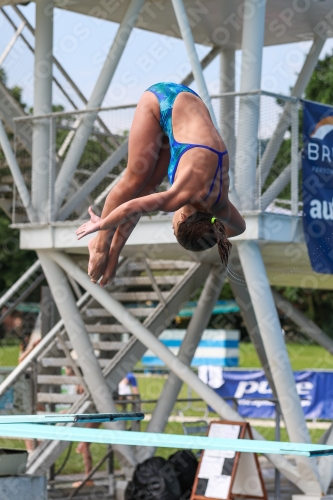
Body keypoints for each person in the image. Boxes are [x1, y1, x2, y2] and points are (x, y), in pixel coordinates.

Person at [76, 82, 246, 286]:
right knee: (135, 180)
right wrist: (101, 225)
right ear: (183, 217)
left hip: (189, 109)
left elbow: (239, 228)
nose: (171, 224)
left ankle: (113, 256)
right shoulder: (180, 196)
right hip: (165, 101)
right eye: (174, 228)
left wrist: (210, 231)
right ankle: (100, 248)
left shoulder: (221, 205)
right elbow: (130, 206)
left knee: (149, 188)